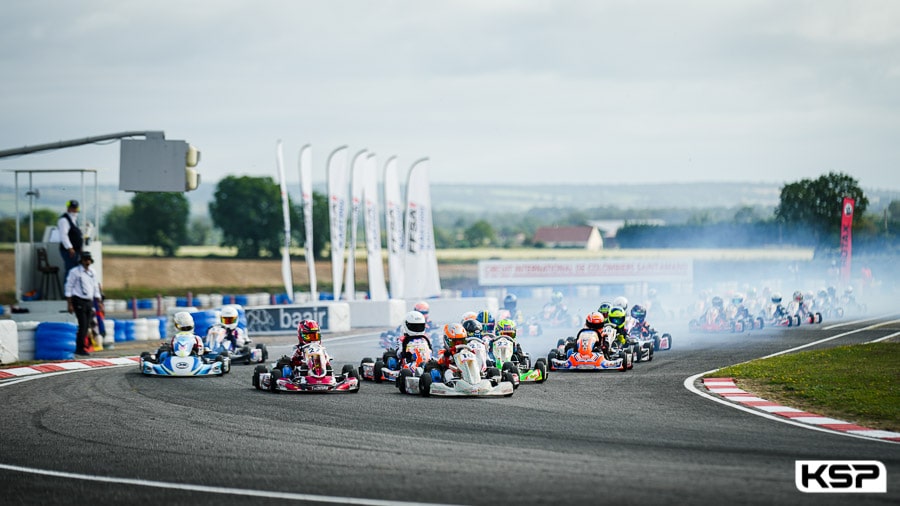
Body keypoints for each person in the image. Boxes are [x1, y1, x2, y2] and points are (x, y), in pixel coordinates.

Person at [64, 251, 103, 356]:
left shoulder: (92, 272)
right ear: (81, 261)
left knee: (87, 325)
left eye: (89, 260)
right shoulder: (75, 272)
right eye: (85, 260)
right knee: (83, 324)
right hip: (78, 299)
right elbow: (69, 287)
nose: (87, 262)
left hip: (89, 301)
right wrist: (70, 303)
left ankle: (82, 345)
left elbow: (95, 287)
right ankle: (80, 348)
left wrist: (99, 301)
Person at [57, 199, 84, 275]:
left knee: (75, 271)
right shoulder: (64, 220)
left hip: (76, 250)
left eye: (76, 208)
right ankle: (67, 287)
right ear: (68, 208)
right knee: (70, 271)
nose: (74, 210)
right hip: (69, 251)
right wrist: (69, 248)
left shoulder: (74, 220)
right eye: (72, 208)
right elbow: (63, 235)